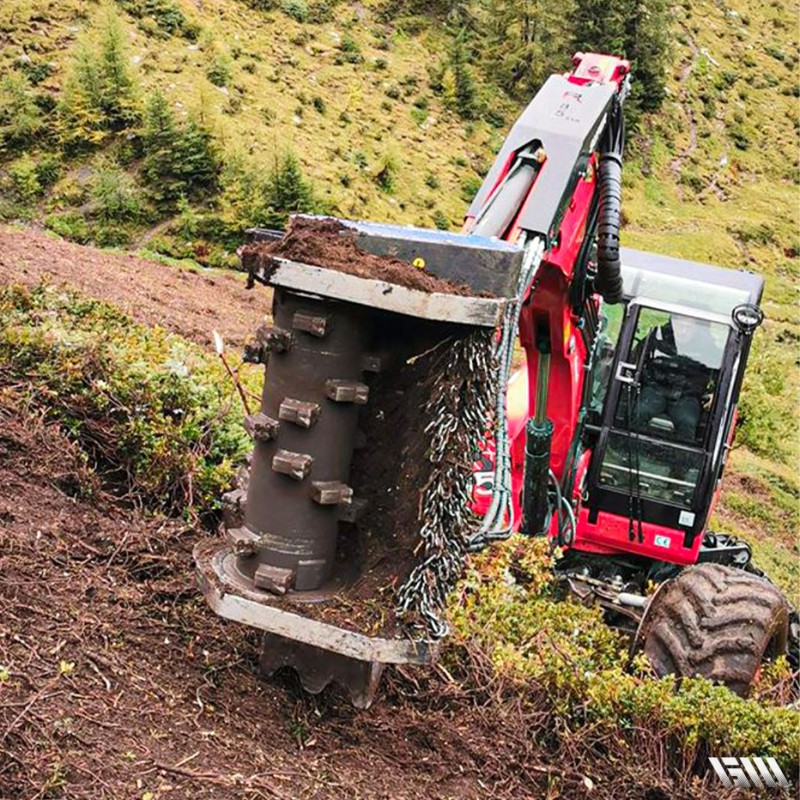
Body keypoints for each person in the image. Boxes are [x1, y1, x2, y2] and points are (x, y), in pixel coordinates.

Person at [631, 314, 720, 443]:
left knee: (687, 423)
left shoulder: (708, 347)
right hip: (655, 389)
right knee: (639, 412)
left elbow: (720, 373)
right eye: (679, 325)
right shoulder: (657, 336)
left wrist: (714, 393)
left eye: (688, 327)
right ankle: (629, 450)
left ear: (697, 329)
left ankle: (680, 459)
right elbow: (635, 356)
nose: (683, 331)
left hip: (687, 396)